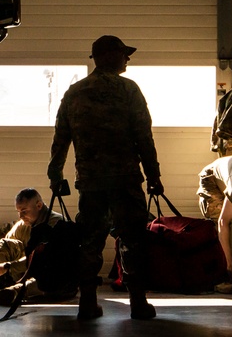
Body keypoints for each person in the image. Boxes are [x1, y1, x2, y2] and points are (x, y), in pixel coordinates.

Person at [47, 35, 163, 320]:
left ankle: (87, 302)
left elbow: (61, 138)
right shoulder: (128, 90)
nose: (128, 58)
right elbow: (143, 137)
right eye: (124, 53)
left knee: (90, 241)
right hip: (125, 179)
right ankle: (137, 302)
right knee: (132, 239)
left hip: (90, 181)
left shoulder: (74, 92)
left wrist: (55, 175)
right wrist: (154, 175)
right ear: (110, 55)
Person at [0, 188, 78, 304]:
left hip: (51, 274)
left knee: (42, 279)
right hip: (23, 271)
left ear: (39, 205)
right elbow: (5, 247)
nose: (21, 216)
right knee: (7, 243)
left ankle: (13, 292)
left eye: (24, 211)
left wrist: (7, 267)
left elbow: (39, 261)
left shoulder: (55, 225)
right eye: (18, 212)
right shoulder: (24, 224)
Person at [197, 155, 232, 293]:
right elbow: (223, 222)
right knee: (217, 220)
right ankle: (221, 276)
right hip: (212, 177)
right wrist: (230, 265)